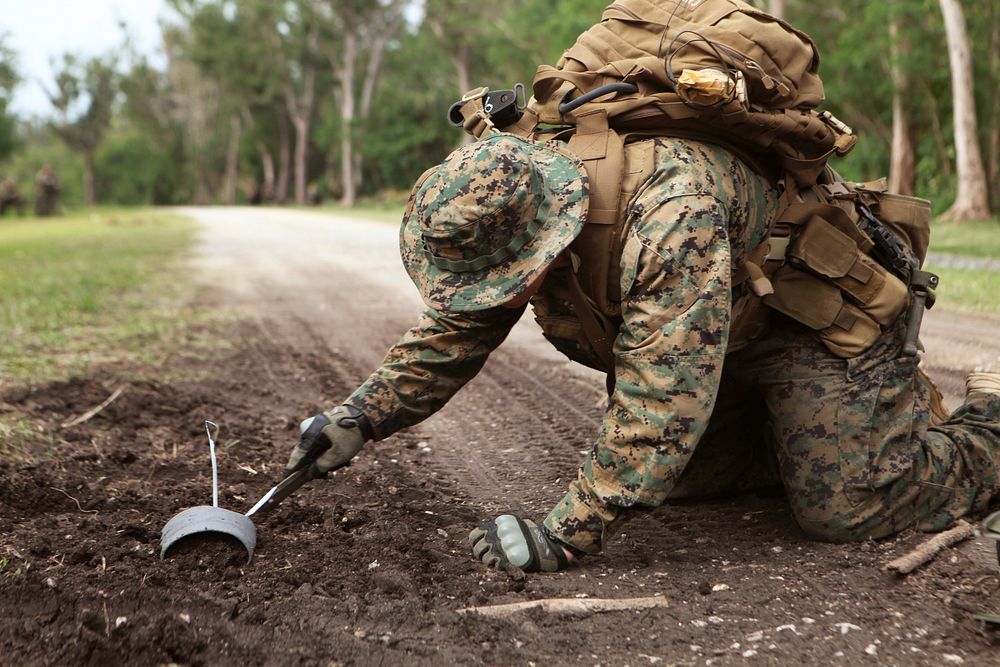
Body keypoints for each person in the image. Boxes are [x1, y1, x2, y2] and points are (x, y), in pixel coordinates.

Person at [283, 130, 1000, 572]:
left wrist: (565, 533)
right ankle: (815, 437)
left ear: (538, 251)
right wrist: (358, 417)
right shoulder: (531, 193)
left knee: (843, 507)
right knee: (680, 480)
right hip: (733, 329)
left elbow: (662, 404)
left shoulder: (667, 219)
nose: (491, 297)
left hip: (816, 322)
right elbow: (457, 329)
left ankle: (986, 423)